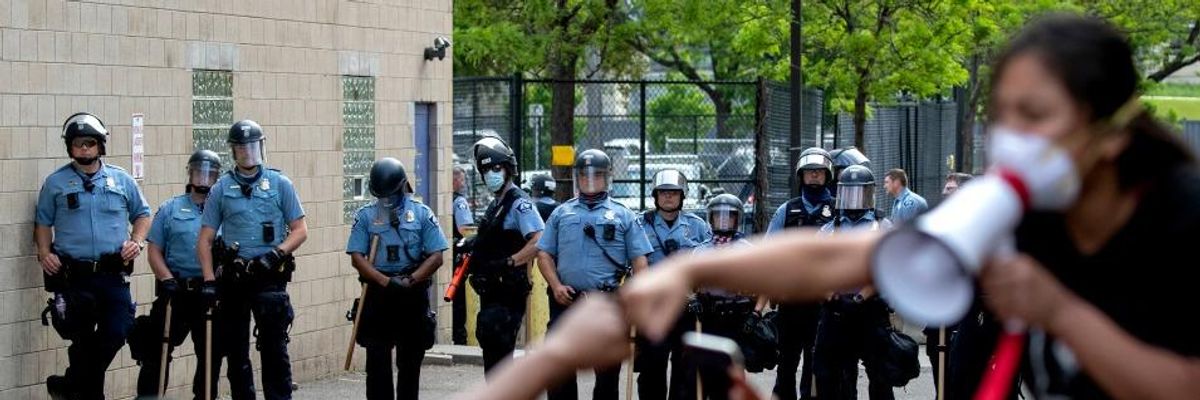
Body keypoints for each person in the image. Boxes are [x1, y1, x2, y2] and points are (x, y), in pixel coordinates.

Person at [622, 14, 1200, 400]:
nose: (1013, 137)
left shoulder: (1180, 215)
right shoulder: (1015, 212)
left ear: (1113, 128)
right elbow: (839, 258)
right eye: (1003, 115)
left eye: (1036, 113)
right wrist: (694, 270)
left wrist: (1061, 312)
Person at [36, 112, 152, 399]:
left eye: (89, 143)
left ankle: (68, 385)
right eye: (78, 144)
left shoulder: (121, 180)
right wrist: (43, 251)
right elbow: (42, 222)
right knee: (83, 343)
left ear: (100, 145)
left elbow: (143, 215)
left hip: (112, 274)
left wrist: (136, 241)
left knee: (118, 329)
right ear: (70, 148)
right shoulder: (56, 183)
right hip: (74, 276)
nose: (84, 149)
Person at [197, 119, 308, 400]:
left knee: (274, 350)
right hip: (235, 279)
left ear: (261, 148)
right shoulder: (221, 189)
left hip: (269, 276)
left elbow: (300, 230)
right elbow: (205, 239)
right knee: (236, 353)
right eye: (241, 148)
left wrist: (276, 253)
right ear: (233, 151)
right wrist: (209, 280)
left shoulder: (280, 183)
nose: (247, 153)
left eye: (252, 147)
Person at [537, 148, 653, 400]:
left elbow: (640, 260)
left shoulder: (624, 214)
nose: (590, 180)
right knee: (559, 367)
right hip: (566, 300)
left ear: (607, 178)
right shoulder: (561, 213)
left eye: (597, 175)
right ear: (577, 178)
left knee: (607, 372)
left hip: (607, 303)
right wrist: (556, 285)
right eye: (584, 175)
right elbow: (544, 254)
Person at [347, 157, 447, 400]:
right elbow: (357, 258)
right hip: (379, 293)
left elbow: (436, 256)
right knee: (377, 364)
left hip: (411, 293)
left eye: (390, 195)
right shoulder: (365, 217)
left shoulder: (422, 214)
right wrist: (384, 282)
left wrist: (411, 280)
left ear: (402, 188)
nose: (386, 201)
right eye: (382, 196)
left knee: (410, 364)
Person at [133, 150, 224, 399]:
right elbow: (154, 251)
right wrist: (167, 279)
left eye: (210, 174)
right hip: (176, 290)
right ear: (190, 174)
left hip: (209, 292)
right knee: (156, 348)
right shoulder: (170, 208)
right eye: (199, 172)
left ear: (217, 178)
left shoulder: (223, 213)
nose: (204, 179)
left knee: (210, 353)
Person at [813, 165, 895, 400]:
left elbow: (887, 269)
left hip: (870, 310)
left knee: (880, 376)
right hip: (836, 311)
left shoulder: (883, 227)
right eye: (849, 192)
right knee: (833, 377)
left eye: (860, 192)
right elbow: (817, 270)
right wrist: (832, 296)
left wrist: (860, 298)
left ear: (869, 193)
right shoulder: (829, 229)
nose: (854, 199)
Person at [468, 137, 546, 374]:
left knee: (500, 356)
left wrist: (510, 262)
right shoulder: (496, 205)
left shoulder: (519, 203)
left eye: (495, 168)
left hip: (508, 291)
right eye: (485, 170)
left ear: (507, 169)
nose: (490, 174)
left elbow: (539, 240)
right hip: (491, 290)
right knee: (492, 356)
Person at [636, 169, 712, 400]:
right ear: (655, 195)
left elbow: (709, 259)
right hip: (654, 306)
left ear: (682, 195)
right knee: (652, 366)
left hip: (686, 306)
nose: (668, 196)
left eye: (674, 192)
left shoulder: (697, 226)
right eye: (663, 192)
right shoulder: (640, 224)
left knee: (686, 366)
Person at [766, 147, 835, 400]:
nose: (814, 176)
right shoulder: (787, 210)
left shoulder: (838, 210)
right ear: (801, 176)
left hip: (823, 302)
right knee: (787, 360)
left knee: (815, 361)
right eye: (809, 172)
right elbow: (770, 251)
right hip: (791, 299)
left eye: (819, 172)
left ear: (828, 175)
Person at [923, 171, 973, 398]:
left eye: (951, 189)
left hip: (968, 313)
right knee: (939, 364)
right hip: (939, 311)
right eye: (945, 189)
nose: (945, 192)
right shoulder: (938, 221)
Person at [451, 165, 474, 345]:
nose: (464, 183)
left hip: (446, 255)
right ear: (454, 180)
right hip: (459, 257)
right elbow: (465, 229)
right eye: (462, 179)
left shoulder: (444, 200)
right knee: (459, 301)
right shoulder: (459, 202)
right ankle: (460, 338)